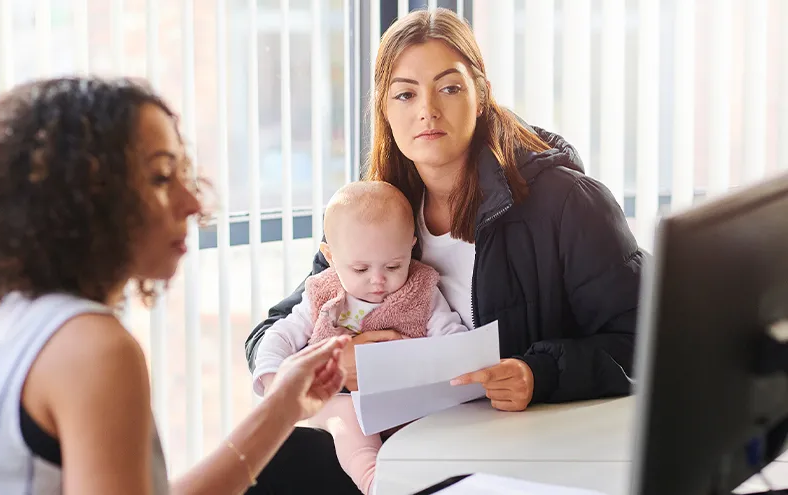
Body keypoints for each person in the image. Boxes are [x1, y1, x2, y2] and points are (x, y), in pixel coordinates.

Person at [244, 8, 644, 494]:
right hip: (403, 442)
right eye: (405, 94)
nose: (426, 110)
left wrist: (537, 374)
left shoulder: (566, 204)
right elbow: (280, 326)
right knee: (269, 470)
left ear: (481, 96)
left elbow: (643, 341)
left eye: (449, 88)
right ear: (385, 111)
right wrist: (337, 362)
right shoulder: (377, 210)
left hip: (513, 452)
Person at [0, 77, 352, 495]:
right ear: (84, 200)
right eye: (160, 178)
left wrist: (285, 406)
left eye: (184, 173)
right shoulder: (93, 347)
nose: (193, 202)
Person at [253, 181, 468, 494]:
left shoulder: (421, 290)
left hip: (407, 403)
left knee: (432, 428)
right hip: (341, 401)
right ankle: (372, 481)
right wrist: (274, 381)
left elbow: (450, 335)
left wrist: (455, 362)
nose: (378, 280)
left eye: (394, 265)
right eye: (360, 268)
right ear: (330, 256)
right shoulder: (323, 293)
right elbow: (279, 335)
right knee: (347, 419)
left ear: (411, 245)